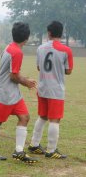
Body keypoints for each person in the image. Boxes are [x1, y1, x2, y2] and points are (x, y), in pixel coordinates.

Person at [0, 22, 38, 164]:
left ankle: (19, 151)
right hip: (3, 93)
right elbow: (13, 76)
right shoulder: (17, 52)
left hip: (13, 93)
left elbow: (13, 73)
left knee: (24, 117)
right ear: (26, 38)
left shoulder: (9, 46)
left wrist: (24, 79)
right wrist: (27, 82)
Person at [28, 21, 73, 159]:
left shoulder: (40, 48)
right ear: (61, 33)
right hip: (56, 89)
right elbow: (69, 71)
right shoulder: (66, 50)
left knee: (42, 116)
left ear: (49, 33)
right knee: (55, 120)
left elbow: (38, 68)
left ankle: (34, 144)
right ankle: (51, 150)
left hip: (42, 87)